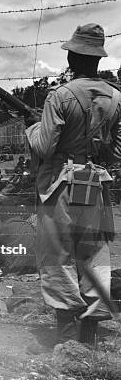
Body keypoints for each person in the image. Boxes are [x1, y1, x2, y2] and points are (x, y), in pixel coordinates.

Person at [25, 23, 121, 351]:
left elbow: (45, 148)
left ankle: (66, 335)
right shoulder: (116, 97)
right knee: (95, 252)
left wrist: (33, 127)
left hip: (61, 185)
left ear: (72, 56)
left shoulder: (61, 95)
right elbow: (115, 150)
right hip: (96, 182)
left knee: (58, 254)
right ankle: (90, 333)